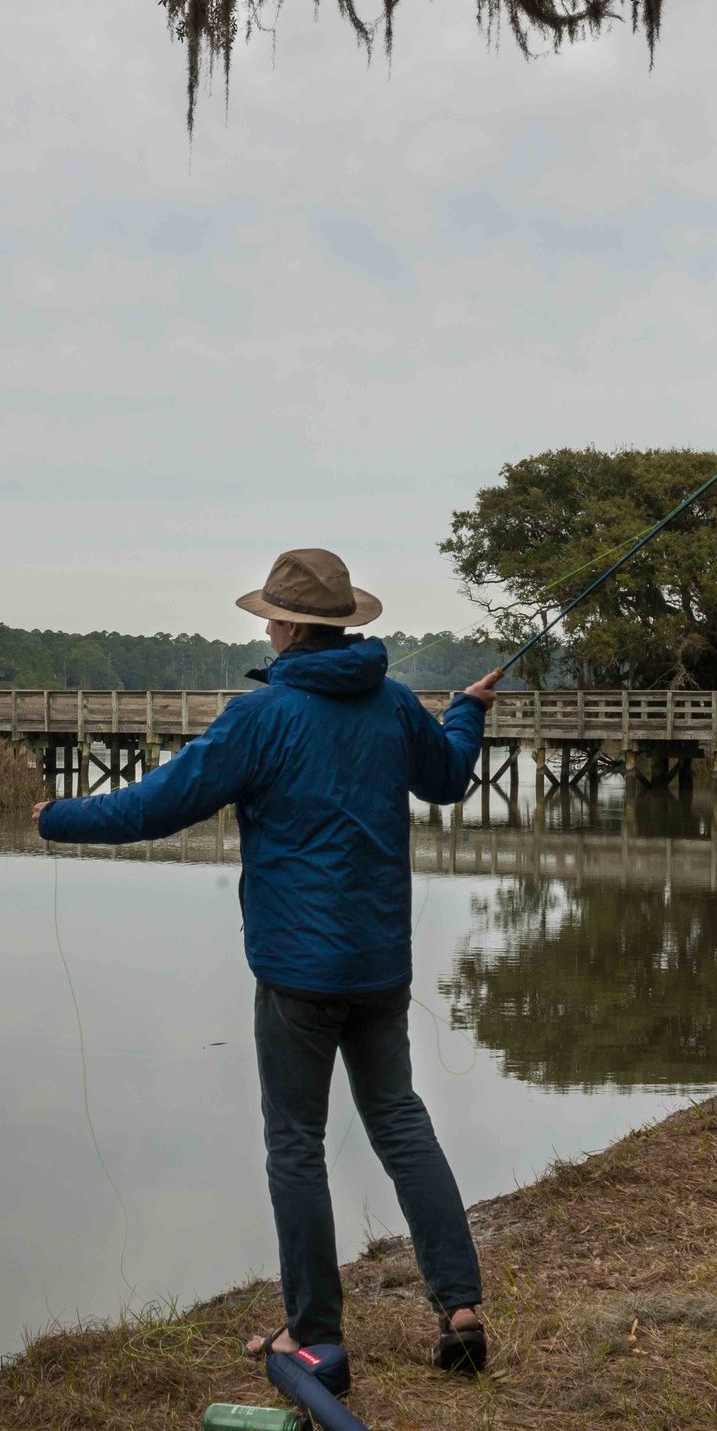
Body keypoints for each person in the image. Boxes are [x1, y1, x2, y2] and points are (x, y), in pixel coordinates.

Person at [33, 547, 503, 1374]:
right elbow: (450, 776)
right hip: (380, 967)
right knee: (399, 1120)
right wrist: (467, 712)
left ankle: (318, 1335)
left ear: (286, 626)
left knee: (295, 1141)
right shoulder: (394, 705)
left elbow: (156, 807)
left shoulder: (258, 718)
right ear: (346, 623)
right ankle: (459, 1305)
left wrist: (58, 817)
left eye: (270, 616)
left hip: (295, 975)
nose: (266, 626)